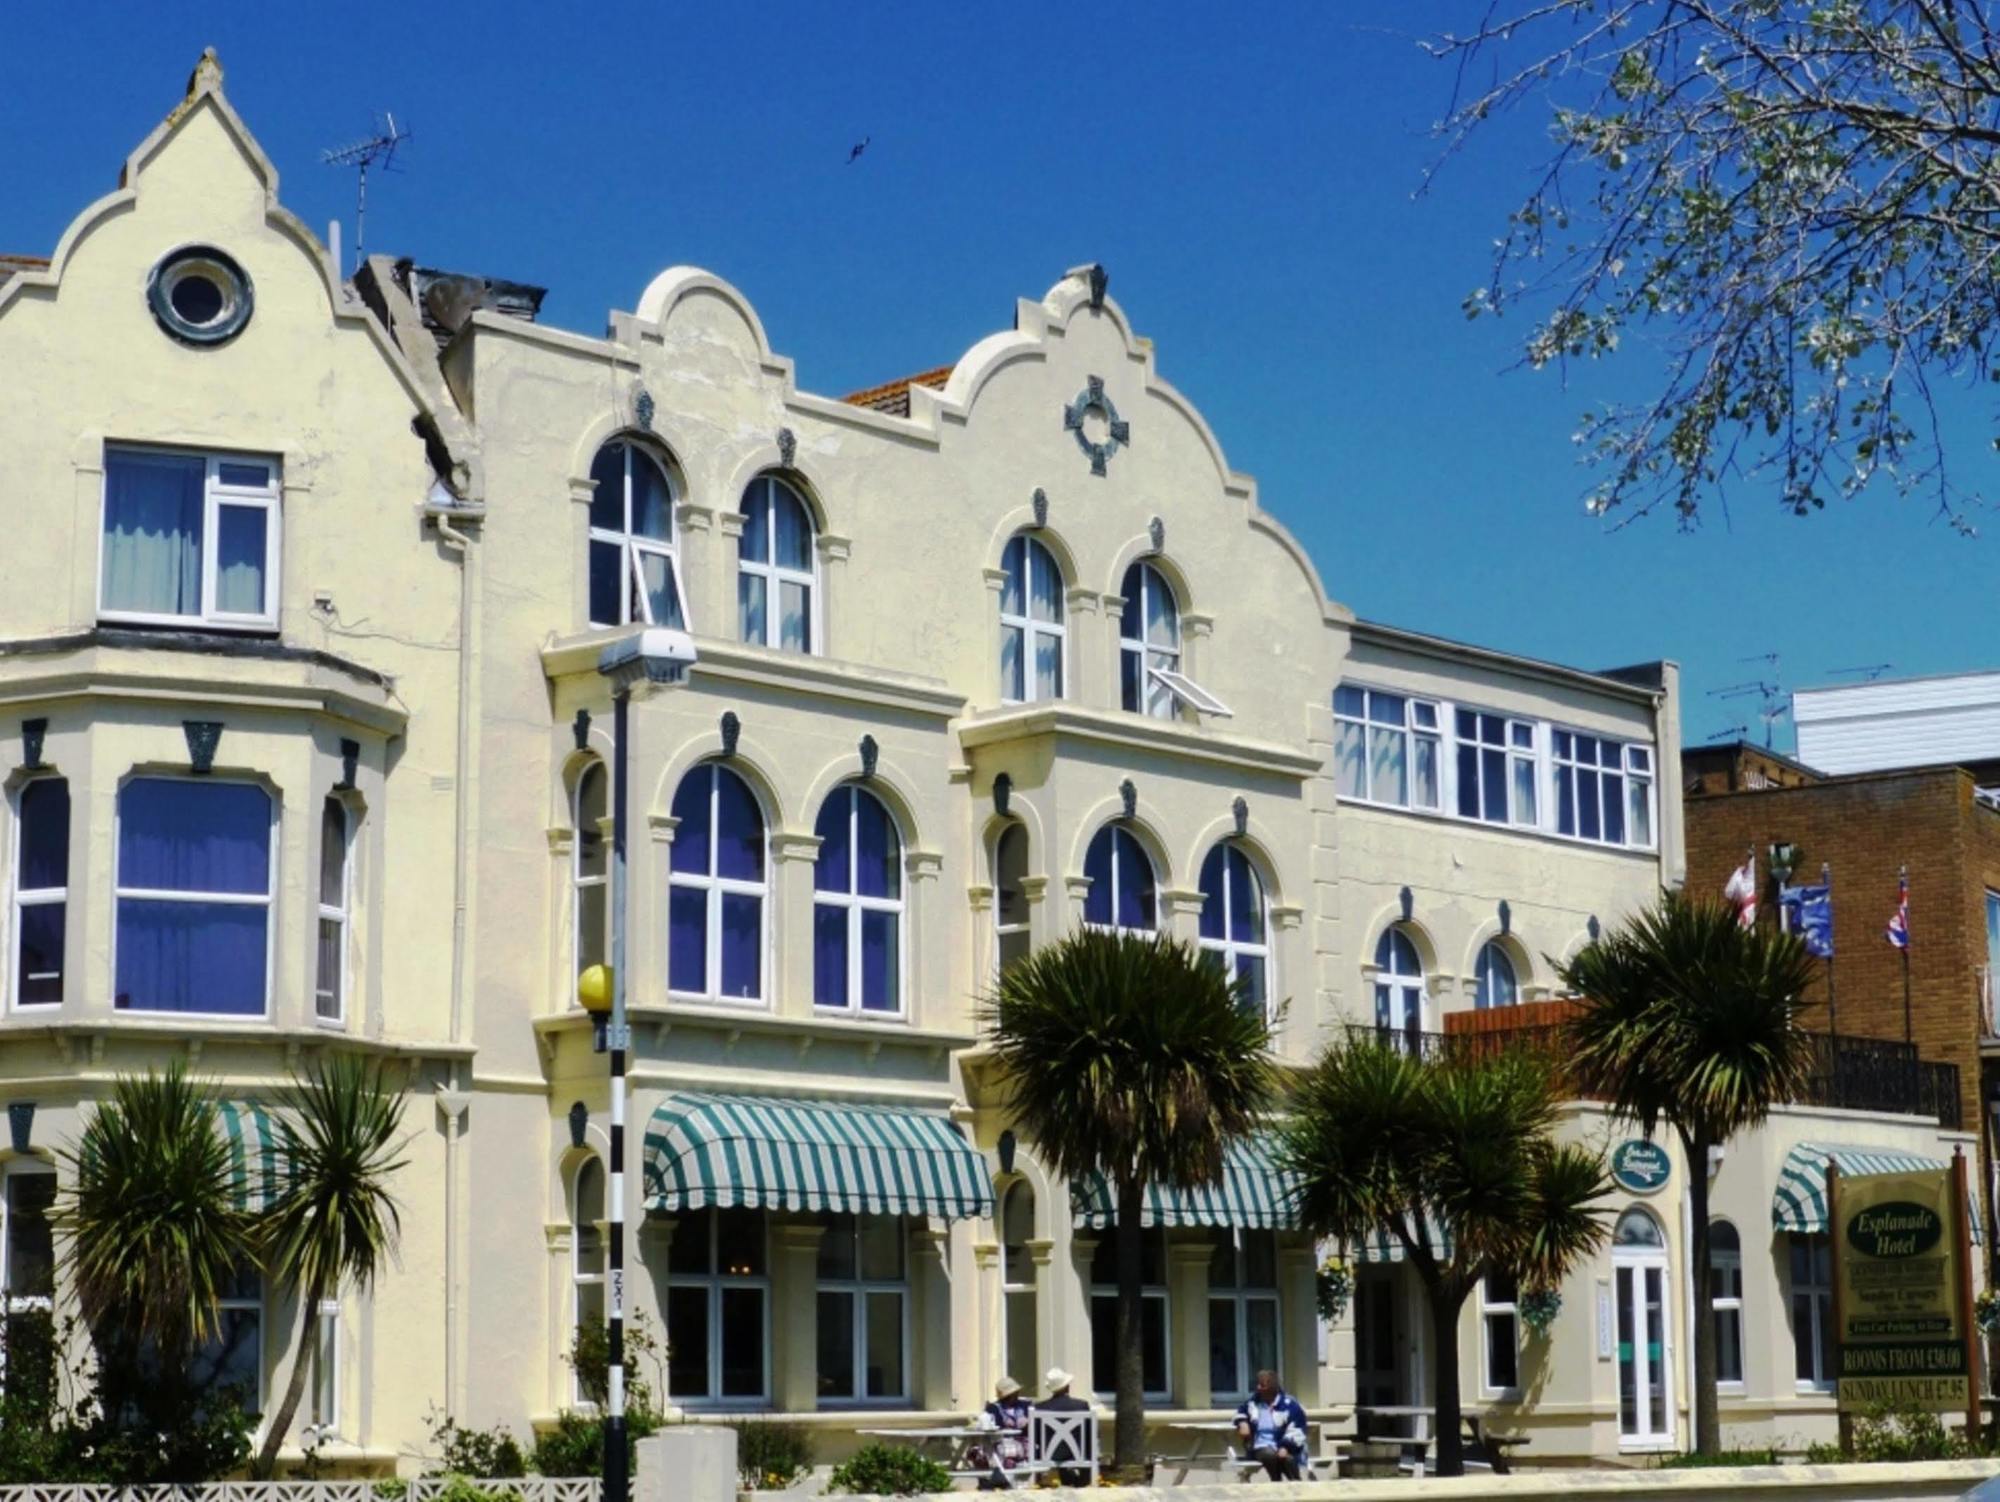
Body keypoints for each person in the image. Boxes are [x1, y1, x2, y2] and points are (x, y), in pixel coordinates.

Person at [1234, 1368, 1309, 1481]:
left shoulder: (1288, 1405)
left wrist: (1285, 1446)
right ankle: (1276, 1481)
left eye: (1262, 1385)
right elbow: (1240, 1412)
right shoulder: (1253, 1403)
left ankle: (1297, 1484)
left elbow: (1297, 1428)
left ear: (1273, 1387)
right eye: (1258, 1384)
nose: (1259, 1388)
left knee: (1288, 1460)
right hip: (1259, 1446)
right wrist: (1242, 1422)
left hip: (1281, 1445)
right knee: (1269, 1455)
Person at [970, 1376, 1034, 1488]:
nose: (1016, 1394)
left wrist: (1027, 1424)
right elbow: (993, 1426)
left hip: (1023, 1441)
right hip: (1000, 1440)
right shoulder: (994, 1407)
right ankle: (989, 1480)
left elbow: (1034, 1424)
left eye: (1016, 1392)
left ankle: (1000, 1481)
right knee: (977, 1450)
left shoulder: (1026, 1405)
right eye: (1014, 1393)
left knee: (1002, 1450)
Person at [1038, 1367, 1094, 1485]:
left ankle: (1067, 1479)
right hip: (1077, 1453)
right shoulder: (1081, 1405)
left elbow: (1036, 1436)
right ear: (1067, 1386)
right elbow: (1090, 1434)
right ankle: (1082, 1480)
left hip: (1049, 1454)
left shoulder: (1040, 1407)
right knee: (1085, 1442)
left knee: (1059, 1445)